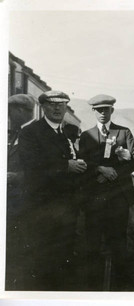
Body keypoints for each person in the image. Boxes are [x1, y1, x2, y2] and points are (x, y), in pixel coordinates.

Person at [18, 90, 87, 290]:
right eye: (52, 104)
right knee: (43, 258)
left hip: (67, 207)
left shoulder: (68, 132)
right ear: (43, 107)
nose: (57, 108)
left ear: (66, 107)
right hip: (43, 207)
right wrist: (66, 166)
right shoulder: (31, 131)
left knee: (64, 255)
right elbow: (31, 164)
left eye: (62, 104)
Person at [78, 94, 134, 290]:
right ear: (93, 111)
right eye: (98, 110)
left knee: (118, 241)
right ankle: (92, 286)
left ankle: (119, 287)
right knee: (93, 241)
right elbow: (82, 162)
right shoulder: (86, 136)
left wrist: (116, 171)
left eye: (106, 109)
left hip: (118, 197)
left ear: (112, 110)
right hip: (94, 197)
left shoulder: (123, 133)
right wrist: (99, 169)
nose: (102, 113)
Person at [6, 94, 37, 290]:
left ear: (20, 111)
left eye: (10, 111)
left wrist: (16, 177)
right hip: (12, 200)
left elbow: (41, 169)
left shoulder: (33, 134)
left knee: (22, 245)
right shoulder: (16, 133)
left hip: (26, 199)